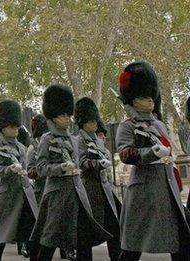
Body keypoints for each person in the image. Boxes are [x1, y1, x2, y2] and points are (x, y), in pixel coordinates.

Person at [116, 61, 190, 260]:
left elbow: (168, 155)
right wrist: (151, 152)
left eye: (150, 96)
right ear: (132, 99)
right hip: (144, 193)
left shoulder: (158, 124)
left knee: (182, 241)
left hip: (166, 189)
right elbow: (125, 154)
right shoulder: (127, 126)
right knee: (133, 248)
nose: (149, 100)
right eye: (142, 96)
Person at [29, 85, 111, 261]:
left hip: (77, 193)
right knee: (50, 239)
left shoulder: (73, 139)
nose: (67, 119)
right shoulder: (47, 139)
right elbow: (42, 168)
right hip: (57, 195)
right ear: (52, 116)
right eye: (63, 116)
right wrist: (61, 169)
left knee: (84, 237)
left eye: (68, 115)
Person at [0, 100, 38, 261]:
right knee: (1, 231)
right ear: (2, 127)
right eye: (11, 127)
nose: (15, 130)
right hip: (7, 193)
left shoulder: (21, 147)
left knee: (30, 228)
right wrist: (9, 170)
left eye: (16, 127)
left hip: (23, 192)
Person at [75, 97, 122, 260]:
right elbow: (81, 162)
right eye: (91, 121)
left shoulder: (96, 139)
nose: (95, 123)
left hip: (105, 190)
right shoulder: (79, 140)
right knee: (87, 232)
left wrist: (104, 161)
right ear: (83, 122)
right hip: (90, 190)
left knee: (114, 228)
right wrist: (96, 164)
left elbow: (105, 155)